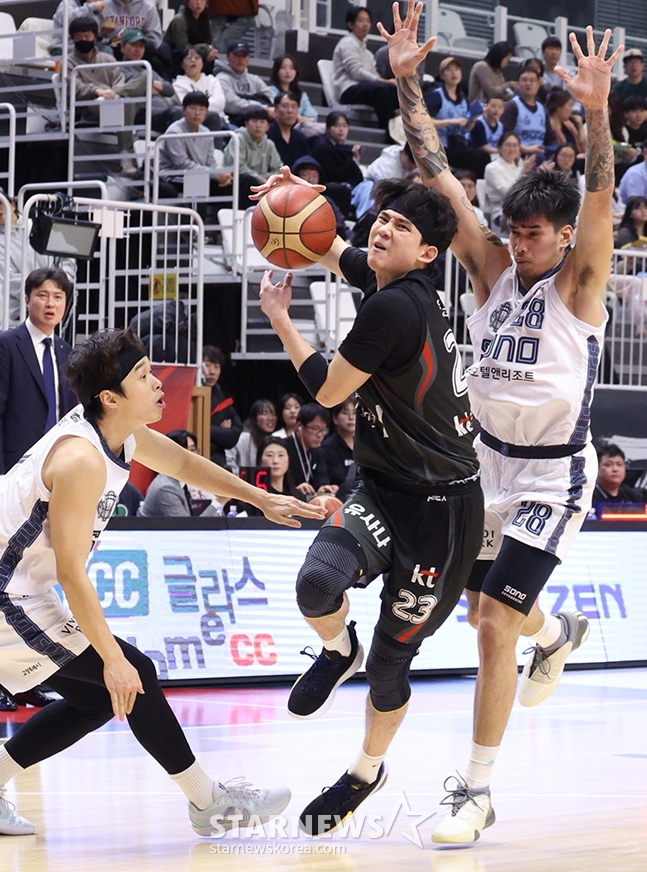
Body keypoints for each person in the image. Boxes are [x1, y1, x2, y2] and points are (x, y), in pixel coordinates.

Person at [382, 0, 622, 844]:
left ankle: (475, 791)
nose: (518, 247)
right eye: (512, 234)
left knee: (490, 623)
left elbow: (600, 194)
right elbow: (440, 177)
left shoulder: (578, 281)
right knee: (474, 608)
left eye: (532, 236)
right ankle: (554, 634)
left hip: (552, 473)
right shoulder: (490, 272)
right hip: (481, 465)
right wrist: (407, 83)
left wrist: (595, 110)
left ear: (560, 237)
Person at [0, 327, 324, 837]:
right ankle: (208, 802)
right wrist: (112, 659)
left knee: (100, 697)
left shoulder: (117, 432)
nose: (157, 383)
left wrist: (260, 499)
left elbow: (183, 463)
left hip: (24, 588)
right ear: (111, 397)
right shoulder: (81, 459)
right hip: (7, 594)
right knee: (132, 674)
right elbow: (70, 573)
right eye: (142, 375)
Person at [250, 167, 482, 836]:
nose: (383, 230)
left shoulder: (395, 306)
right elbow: (326, 245)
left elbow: (328, 391)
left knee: (389, 668)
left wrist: (280, 319)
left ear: (428, 253)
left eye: (401, 227)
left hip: (442, 515)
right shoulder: (389, 278)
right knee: (316, 583)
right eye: (382, 218)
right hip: (382, 487)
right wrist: (295, 203)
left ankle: (364, 771)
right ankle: (335, 650)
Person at [0, 268, 77, 475]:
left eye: (58, 297)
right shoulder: (6, 345)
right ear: (27, 300)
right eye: (42, 296)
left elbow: (69, 412)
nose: (50, 303)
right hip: (15, 464)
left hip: (56, 463)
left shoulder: (66, 351)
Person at [332, 5, 399, 135]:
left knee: (396, 91)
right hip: (348, 90)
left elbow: (373, 74)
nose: (365, 24)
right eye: (360, 20)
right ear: (350, 24)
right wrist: (385, 81)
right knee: (382, 89)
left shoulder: (367, 53)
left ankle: (400, 131)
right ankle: (387, 131)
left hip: (365, 89)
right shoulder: (347, 43)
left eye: (368, 21)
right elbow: (356, 72)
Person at [158, 92, 233, 203]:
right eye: (193, 108)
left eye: (202, 109)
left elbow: (210, 162)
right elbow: (181, 164)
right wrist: (215, 174)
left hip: (198, 173)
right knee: (198, 180)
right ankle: (195, 215)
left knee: (231, 183)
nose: (197, 113)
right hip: (171, 174)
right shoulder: (174, 132)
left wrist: (221, 175)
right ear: (183, 110)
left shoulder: (206, 133)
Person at [424, 56, 489, 178]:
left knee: (483, 156)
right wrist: (451, 121)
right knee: (478, 157)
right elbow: (425, 122)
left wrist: (474, 118)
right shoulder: (436, 96)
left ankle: (471, 185)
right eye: (449, 70)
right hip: (439, 146)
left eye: (457, 69)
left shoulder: (463, 98)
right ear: (442, 76)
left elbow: (465, 129)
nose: (454, 73)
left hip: (458, 143)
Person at [140, 429, 219, 516]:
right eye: (184, 451)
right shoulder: (166, 488)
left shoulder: (182, 481)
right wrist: (219, 502)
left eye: (193, 450)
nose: (191, 456)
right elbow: (186, 524)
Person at [221, 107, 282, 208]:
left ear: (267, 126)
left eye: (262, 122)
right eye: (254, 121)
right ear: (246, 124)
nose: (258, 125)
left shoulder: (269, 144)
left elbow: (279, 169)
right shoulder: (238, 139)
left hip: (260, 182)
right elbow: (239, 167)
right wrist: (260, 179)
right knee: (249, 180)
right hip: (235, 182)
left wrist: (265, 179)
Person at [313, 112, 364, 218]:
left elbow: (357, 176)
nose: (341, 129)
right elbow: (334, 175)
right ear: (328, 128)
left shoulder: (347, 149)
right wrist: (354, 160)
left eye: (344, 126)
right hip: (331, 188)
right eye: (336, 125)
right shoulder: (324, 148)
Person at [501, 62, 555, 161]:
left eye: (532, 80)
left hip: (540, 154)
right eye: (524, 80)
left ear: (539, 84)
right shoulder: (512, 106)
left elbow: (550, 139)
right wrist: (527, 149)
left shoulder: (543, 109)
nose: (528, 84)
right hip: (519, 155)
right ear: (518, 84)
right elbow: (505, 137)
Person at [483, 131, 535, 232]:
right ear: (499, 147)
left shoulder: (517, 167)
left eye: (515, 145)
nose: (512, 149)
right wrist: (523, 171)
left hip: (522, 210)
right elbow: (507, 193)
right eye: (508, 145)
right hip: (502, 213)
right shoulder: (492, 167)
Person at [215, 40, 275, 127]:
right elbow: (232, 104)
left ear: (248, 58)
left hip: (260, 122)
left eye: (244, 56)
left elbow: (272, 97)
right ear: (228, 56)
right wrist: (264, 108)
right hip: (234, 122)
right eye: (237, 55)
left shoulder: (255, 79)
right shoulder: (221, 79)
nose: (241, 59)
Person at [201, 344, 243, 468]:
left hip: (217, 462)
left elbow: (233, 436)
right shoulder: (189, 395)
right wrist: (220, 431)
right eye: (208, 365)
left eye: (216, 366)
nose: (212, 371)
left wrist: (206, 430)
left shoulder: (224, 399)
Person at [285, 403, 336, 496]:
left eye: (323, 430)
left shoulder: (318, 451)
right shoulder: (284, 448)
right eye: (315, 429)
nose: (319, 435)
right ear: (299, 426)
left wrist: (323, 487)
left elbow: (322, 476)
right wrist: (294, 489)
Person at [172, 45, 228, 131]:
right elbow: (189, 108)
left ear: (203, 62)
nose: (193, 60)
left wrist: (199, 106)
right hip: (194, 125)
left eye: (197, 57)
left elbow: (220, 104)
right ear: (182, 64)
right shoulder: (178, 84)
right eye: (188, 58)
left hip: (222, 122)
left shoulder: (212, 80)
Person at [292, 156, 349, 239]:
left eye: (314, 176)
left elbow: (342, 226)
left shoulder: (326, 201)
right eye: (305, 175)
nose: (310, 180)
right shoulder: (288, 201)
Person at [268, 54, 323, 138]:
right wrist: (298, 118)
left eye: (291, 68)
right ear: (276, 70)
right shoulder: (269, 91)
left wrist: (296, 118)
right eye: (283, 68)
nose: (288, 71)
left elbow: (312, 118)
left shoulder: (301, 95)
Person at [163, 0, 218, 76]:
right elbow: (184, 48)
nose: (198, 3)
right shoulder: (179, 20)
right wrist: (205, 48)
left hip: (198, 56)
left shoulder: (205, 17)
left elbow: (209, 42)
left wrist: (211, 51)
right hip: (177, 59)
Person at [225, 398, 277, 475]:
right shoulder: (243, 438)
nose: (270, 418)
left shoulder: (274, 439)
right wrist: (238, 477)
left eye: (273, 414)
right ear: (255, 418)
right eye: (265, 414)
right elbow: (228, 459)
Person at [321, 396, 357, 498]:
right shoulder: (328, 446)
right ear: (335, 418)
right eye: (345, 413)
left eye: (354, 413)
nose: (351, 417)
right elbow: (337, 478)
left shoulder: (362, 444)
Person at [267, 92, 311, 167]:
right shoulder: (267, 134)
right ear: (275, 110)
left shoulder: (301, 138)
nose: (290, 111)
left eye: (294, 107)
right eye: (285, 106)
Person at [545, 88, 586, 156]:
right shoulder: (548, 127)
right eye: (569, 105)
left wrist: (580, 126)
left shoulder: (569, 126)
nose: (571, 109)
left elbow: (584, 148)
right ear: (559, 108)